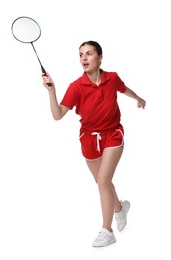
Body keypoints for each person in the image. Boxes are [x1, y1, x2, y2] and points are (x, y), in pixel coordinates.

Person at [42, 40, 146, 247]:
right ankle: (119, 208)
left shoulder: (112, 78)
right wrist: (51, 92)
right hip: (89, 138)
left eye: (89, 54)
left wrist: (139, 98)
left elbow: (124, 89)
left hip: (113, 134)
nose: (84, 59)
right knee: (101, 183)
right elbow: (58, 115)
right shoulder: (76, 86)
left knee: (104, 181)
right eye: (81, 55)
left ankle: (107, 231)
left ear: (100, 57)